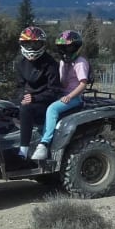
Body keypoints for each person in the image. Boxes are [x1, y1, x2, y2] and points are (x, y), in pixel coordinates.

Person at [31, 30, 90, 161]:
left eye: (69, 47)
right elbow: (62, 83)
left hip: (74, 97)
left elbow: (83, 84)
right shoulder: (63, 63)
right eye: (63, 47)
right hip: (62, 94)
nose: (65, 50)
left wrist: (69, 96)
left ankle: (44, 143)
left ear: (76, 47)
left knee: (52, 108)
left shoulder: (80, 62)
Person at [15, 26, 62, 159]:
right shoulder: (20, 64)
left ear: (42, 45)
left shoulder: (50, 64)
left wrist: (34, 98)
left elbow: (55, 90)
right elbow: (19, 86)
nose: (31, 48)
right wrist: (22, 97)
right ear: (22, 44)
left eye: (35, 44)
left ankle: (23, 151)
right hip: (29, 98)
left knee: (25, 109)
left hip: (46, 101)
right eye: (27, 44)